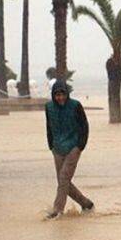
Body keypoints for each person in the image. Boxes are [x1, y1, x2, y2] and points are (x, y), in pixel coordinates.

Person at [44, 80, 94, 219]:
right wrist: (51, 145)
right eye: (57, 95)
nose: (60, 98)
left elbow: (85, 126)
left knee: (64, 177)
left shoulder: (76, 106)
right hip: (57, 148)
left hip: (73, 147)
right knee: (63, 181)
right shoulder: (48, 107)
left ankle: (57, 210)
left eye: (62, 94)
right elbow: (48, 126)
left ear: (67, 94)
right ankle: (86, 204)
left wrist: (80, 146)